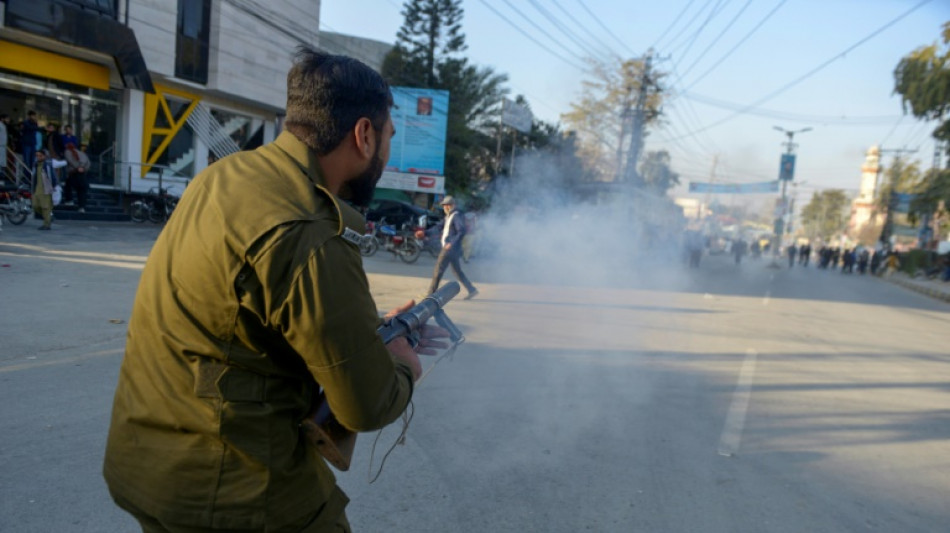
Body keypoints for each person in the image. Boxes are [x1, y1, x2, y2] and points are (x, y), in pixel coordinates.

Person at [103, 48, 448, 532]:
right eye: (388, 136)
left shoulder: (224, 176)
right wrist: (403, 364)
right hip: (232, 492)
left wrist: (365, 332)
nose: (386, 155)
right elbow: (366, 405)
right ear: (364, 135)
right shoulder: (311, 229)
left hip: (146, 464)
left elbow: (244, 318)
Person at [420, 195, 479, 298]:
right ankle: (471, 289)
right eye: (444, 205)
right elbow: (438, 227)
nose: (445, 207)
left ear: (453, 205)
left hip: (450, 248)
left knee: (438, 270)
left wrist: (451, 243)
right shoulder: (448, 216)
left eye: (448, 205)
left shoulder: (456, 216)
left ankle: (430, 294)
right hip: (452, 249)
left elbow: (461, 231)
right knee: (457, 271)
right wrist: (425, 233)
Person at [32, 149, 66, 230]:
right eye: (37, 156)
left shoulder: (48, 164)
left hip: (47, 188)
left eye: (40, 156)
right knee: (35, 205)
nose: (38, 157)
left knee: (46, 207)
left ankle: (47, 224)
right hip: (37, 188)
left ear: (44, 156)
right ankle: (48, 216)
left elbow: (53, 177)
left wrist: (53, 187)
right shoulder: (35, 164)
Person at [63, 142, 90, 212]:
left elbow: (70, 161)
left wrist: (78, 168)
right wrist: (83, 168)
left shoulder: (68, 152)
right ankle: (81, 207)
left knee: (68, 185)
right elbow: (88, 163)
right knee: (82, 190)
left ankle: (69, 200)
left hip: (74, 172)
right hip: (82, 173)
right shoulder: (82, 154)